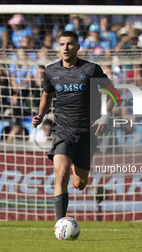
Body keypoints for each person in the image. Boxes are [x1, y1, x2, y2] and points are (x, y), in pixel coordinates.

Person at [32, 31, 114, 221]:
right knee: (61, 173)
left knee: (80, 183)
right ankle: (60, 223)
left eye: (70, 44)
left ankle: (77, 175)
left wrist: (105, 117)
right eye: (62, 44)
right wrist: (41, 115)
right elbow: (47, 95)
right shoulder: (51, 71)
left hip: (86, 133)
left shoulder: (91, 69)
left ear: (78, 47)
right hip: (62, 131)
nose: (66, 48)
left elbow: (113, 94)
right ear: (58, 47)